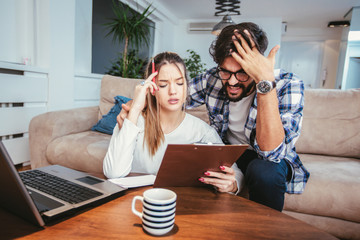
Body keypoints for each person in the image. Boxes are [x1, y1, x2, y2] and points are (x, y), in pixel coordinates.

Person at [186, 22, 309, 211]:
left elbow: (271, 153)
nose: (232, 81)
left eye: (242, 72)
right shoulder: (213, 78)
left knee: (263, 171)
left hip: (268, 160)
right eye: (226, 71)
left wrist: (264, 82)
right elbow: (174, 97)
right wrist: (135, 103)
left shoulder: (289, 84)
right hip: (231, 152)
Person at [103, 52, 243, 194]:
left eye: (180, 83)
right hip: (135, 202)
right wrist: (135, 110)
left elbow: (236, 173)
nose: (173, 91)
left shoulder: (202, 131)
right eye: (163, 85)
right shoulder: (132, 122)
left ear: (186, 87)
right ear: (152, 89)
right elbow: (113, 173)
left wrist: (232, 185)